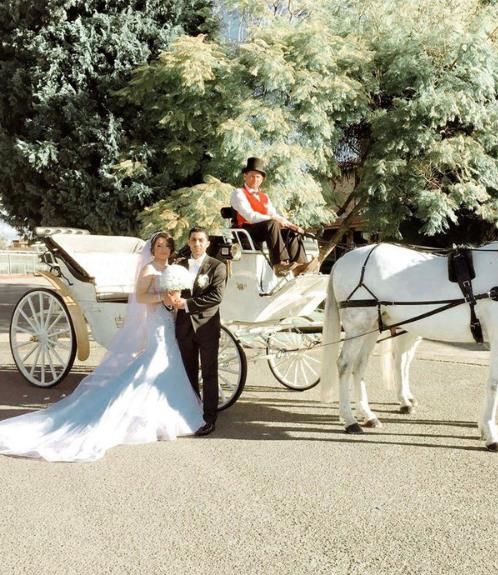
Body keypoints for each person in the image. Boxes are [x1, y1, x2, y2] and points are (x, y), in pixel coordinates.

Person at [0, 233, 206, 461]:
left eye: (167, 245)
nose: (163, 249)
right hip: (156, 321)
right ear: (153, 249)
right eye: (159, 245)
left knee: (169, 361)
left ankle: (168, 412)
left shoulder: (172, 269)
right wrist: (162, 297)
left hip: (169, 320)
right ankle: (138, 411)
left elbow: (176, 295)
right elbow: (141, 297)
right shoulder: (148, 269)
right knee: (157, 360)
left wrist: (174, 300)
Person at [174, 228, 230, 436]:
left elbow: (216, 297)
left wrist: (186, 304)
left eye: (200, 240)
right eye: (193, 240)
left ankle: (209, 418)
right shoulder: (179, 266)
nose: (197, 244)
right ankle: (192, 412)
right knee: (188, 372)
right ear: (188, 242)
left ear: (207, 243)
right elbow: (172, 290)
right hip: (184, 326)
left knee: (209, 372)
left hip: (207, 326)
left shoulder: (217, 266)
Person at [231, 157, 308, 275]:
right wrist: (273, 219)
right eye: (252, 176)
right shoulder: (238, 193)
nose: (255, 179)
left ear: (262, 179)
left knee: (291, 232)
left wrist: (292, 226)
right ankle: (279, 264)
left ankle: (301, 266)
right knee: (272, 223)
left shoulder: (264, 196)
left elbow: (274, 214)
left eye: (258, 177)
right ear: (245, 176)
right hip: (247, 230)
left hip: (265, 230)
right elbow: (250, 216)